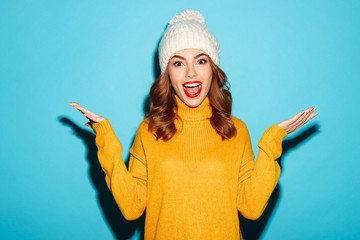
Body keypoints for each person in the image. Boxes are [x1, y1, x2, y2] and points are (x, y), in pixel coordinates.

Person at [70, 9, 317, 240]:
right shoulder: (149, 131)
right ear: (167, 73)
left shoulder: (236, 131)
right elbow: (131, 208)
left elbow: (251, 208)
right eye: (178, 63)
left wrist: (274, 141)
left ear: (213, 69)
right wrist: (105, 138)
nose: (190, 73)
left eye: (201, 61)